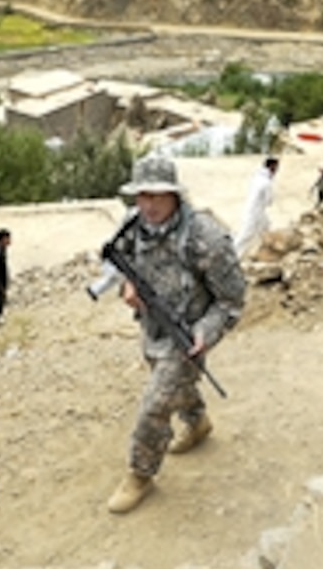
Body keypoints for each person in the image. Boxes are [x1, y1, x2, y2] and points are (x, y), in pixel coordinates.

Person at [106, 154, 246, 514]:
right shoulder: (132, 227)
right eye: (142, 196)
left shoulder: (206, 238)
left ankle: (140, 473)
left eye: (156, 195)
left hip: (188, 337)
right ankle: (197, 423)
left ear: (174, 195)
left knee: (154, 406)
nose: (148, 204)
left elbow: (232, 301)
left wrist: (204, 334)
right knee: (172, 389)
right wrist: (127, 288)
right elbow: (120, 261)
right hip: (152, 328)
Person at [234, 156, 280, 257]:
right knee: (245, 235)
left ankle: (265, 253)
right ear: (272, 166)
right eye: (276, 167)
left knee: (266, 229)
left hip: (255, 211)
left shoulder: (258, 177)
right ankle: (234, 255)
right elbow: (269, 201)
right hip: (255, 213)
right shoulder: (267, 182)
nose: (277, 170)